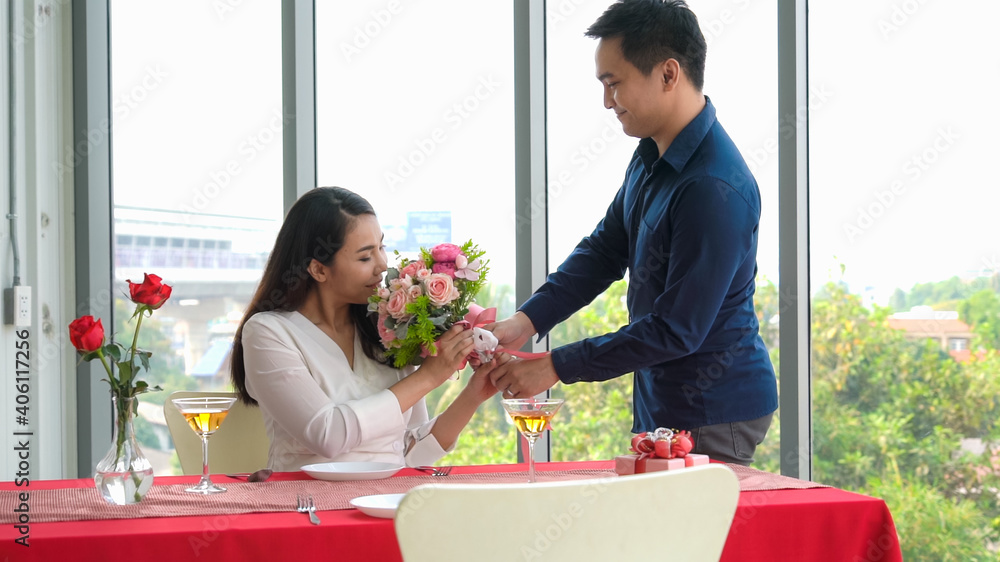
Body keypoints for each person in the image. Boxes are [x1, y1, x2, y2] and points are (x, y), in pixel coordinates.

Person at [487, 0, 777, 465]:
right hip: (663, 397)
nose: (607, 101)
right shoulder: (651, 153)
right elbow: (605, 250)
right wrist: (526, 322)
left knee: (691, 536)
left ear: (667, 74)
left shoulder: (712, 188)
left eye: (614, 83)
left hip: (712, 408)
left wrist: (556, 366)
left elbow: (676, 329)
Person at [231, 187, 499, 471]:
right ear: (318, 269)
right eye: (364, 257)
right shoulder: (268, 332)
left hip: (385, 503)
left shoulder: (386, 328)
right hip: (308, 506)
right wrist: (429, 377)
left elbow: (411, 452)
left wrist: (474, 395)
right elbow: (328, 434)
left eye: (381, 247)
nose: (383, 266)